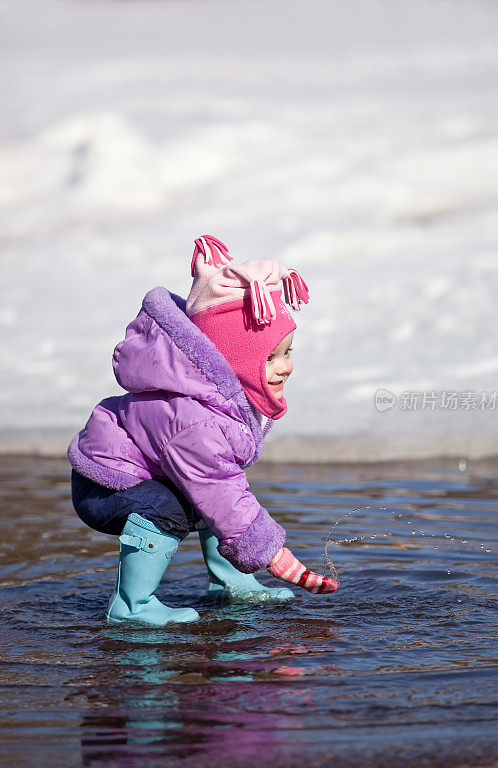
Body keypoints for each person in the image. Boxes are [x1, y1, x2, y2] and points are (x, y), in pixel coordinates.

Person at [68, 235, 338, 627]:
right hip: (105, 487)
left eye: (288, 352)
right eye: (271, 357)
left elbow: (221, 486)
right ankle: (131, 607)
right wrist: (277, 559)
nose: (286, 367)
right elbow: (220, 491)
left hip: (146, 474)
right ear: (233, 362)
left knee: (212, 493)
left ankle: (231, 582)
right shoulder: (196, 420)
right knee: (182, 502)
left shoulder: (222, 401)